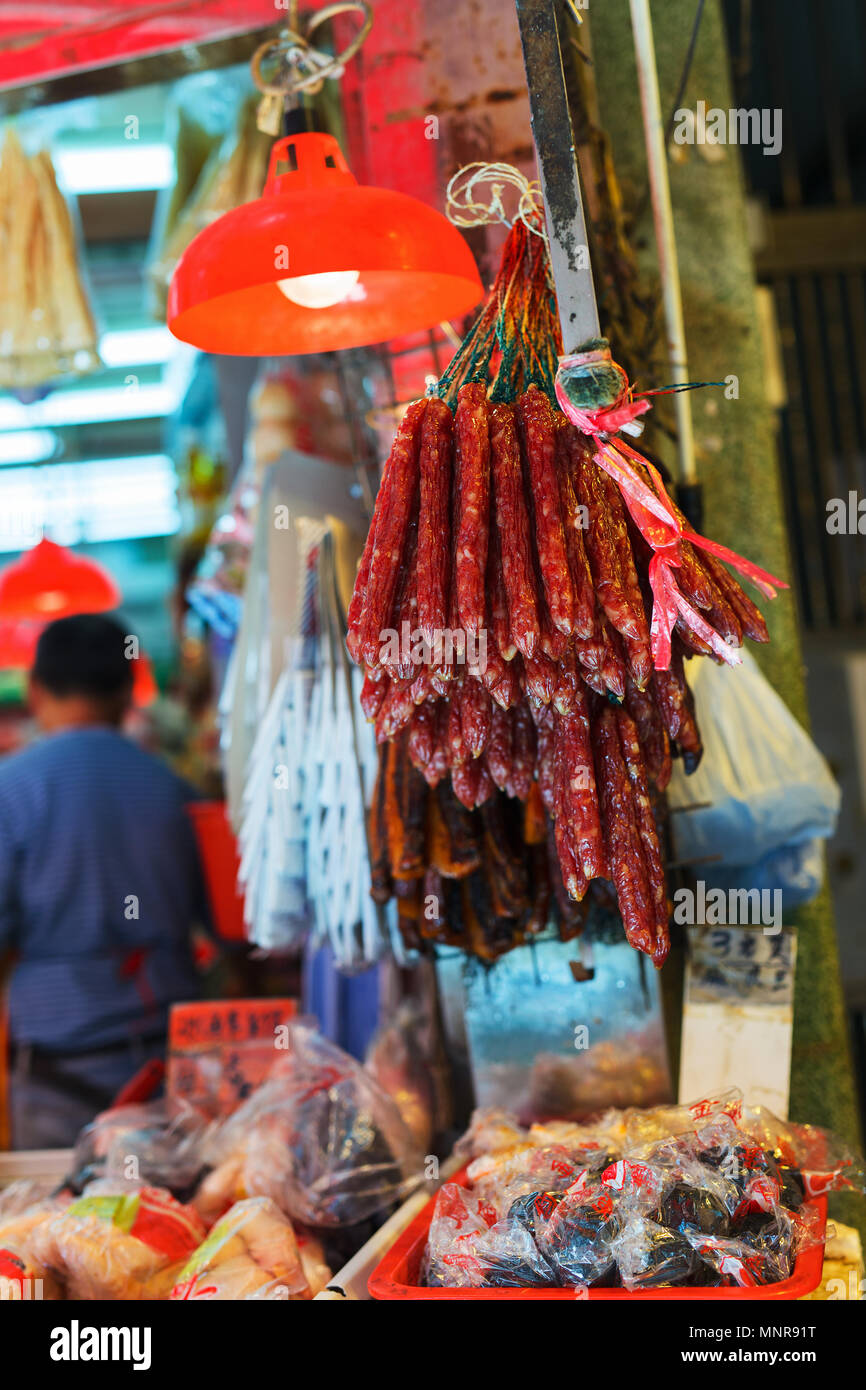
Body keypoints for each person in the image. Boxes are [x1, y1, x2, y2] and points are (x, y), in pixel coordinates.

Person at [0, 614, 209, 1149]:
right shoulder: (174, 788)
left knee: (52, 1228)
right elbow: (226, 927)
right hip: (169, 1071)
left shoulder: (12, 789)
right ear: (127, 688)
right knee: (173, 1223)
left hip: (55, 1070)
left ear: (35, 688)